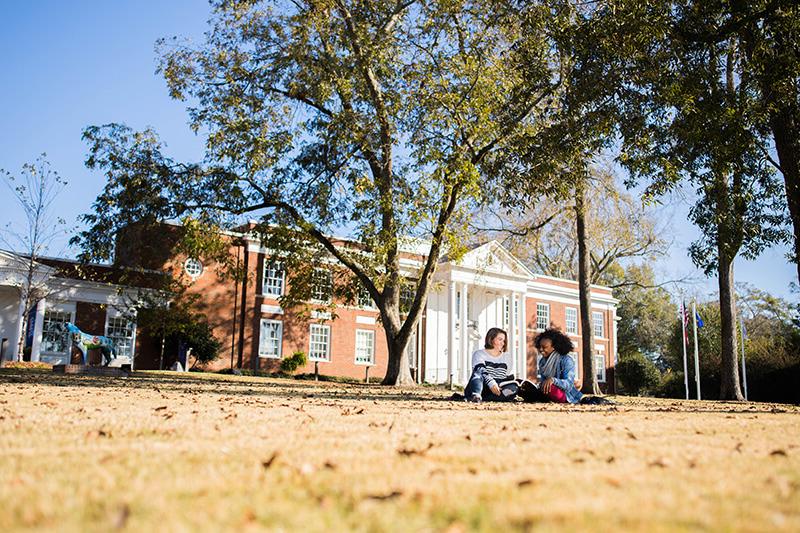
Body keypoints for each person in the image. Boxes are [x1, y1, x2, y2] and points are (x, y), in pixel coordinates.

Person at [463, 327, 517, 403]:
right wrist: (491, 382)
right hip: (482, 385)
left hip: (498, 388)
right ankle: (476, 396)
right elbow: (480, 370)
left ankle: (490, 398)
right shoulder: (479, 354)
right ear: (491, 339)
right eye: (500, 339)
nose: (503, 343)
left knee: (513, 387)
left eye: (504, 341)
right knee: (478, 371)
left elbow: (507, 376)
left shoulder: (507, 357)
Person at [530, 328, 583, 404]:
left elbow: (569, 384)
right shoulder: (542, 362)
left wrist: (553, 380)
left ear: (554, 347)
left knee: (550, 388)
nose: (541, 350)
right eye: (539, 347)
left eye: (544, 347)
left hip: (565, 395)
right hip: (548, 392)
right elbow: (543, 381)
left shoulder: (566, 360)